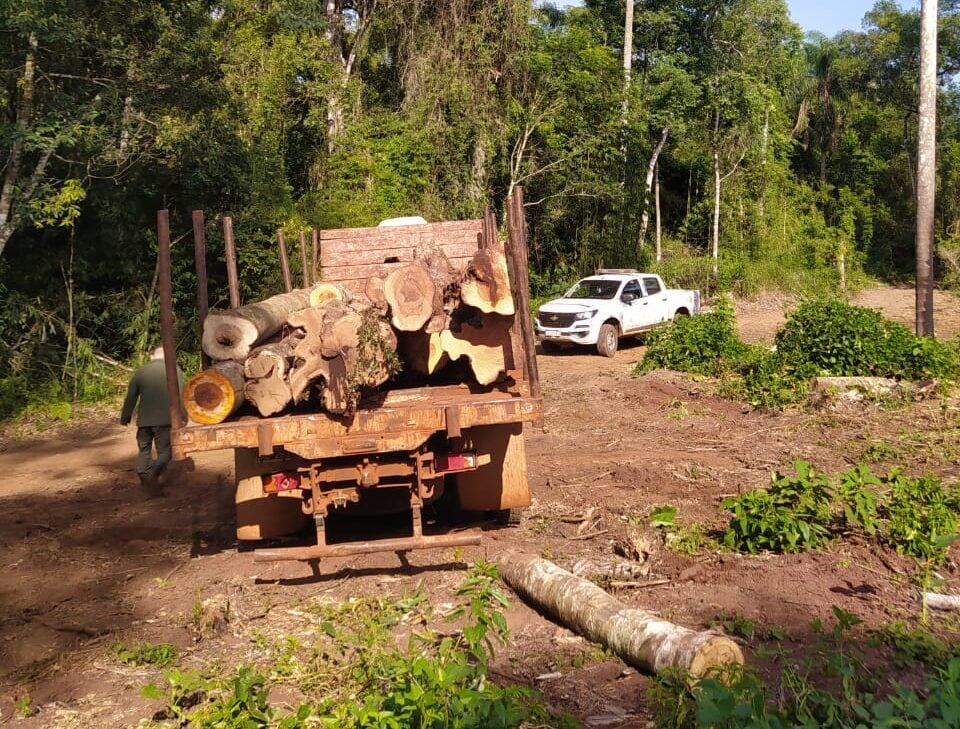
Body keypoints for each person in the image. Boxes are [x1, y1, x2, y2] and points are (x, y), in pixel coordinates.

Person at [120, 347, 184, 488]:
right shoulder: (174, 371)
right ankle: (154, 474)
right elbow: (181, 395)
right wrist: (183, 417)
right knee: (166, 451)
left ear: (151, 357)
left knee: (144, 450)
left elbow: (131, 396)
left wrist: (125, 416)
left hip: (144, 422)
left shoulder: (141, 372)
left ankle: (144, 476)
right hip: (165, 421)